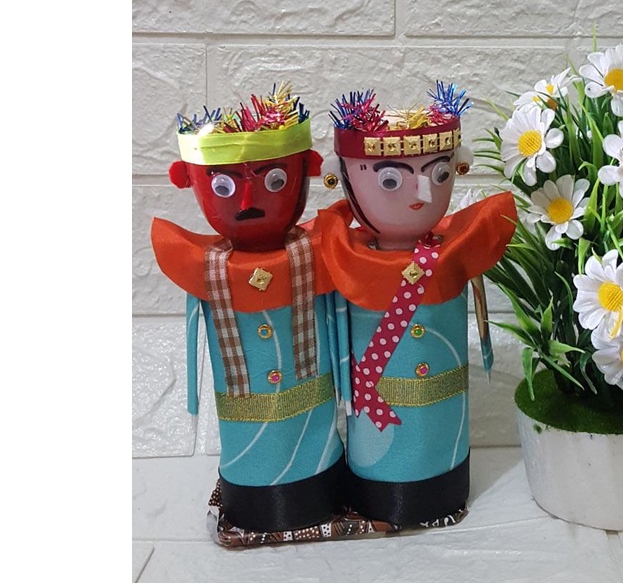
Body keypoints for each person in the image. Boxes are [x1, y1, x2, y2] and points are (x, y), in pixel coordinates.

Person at [150, 82, 351, 544]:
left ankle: (322, 482)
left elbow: (340, 320)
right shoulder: (208, 268)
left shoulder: (315, 253)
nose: (246, 203)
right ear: (189, 180)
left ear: (306, 172)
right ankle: (257, 498)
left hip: (321, 465)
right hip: (245, 464)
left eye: (274, 181)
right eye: (222, 186)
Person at [318, 83, 517, 527]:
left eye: (440, 175)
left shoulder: (455, 248)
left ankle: (438, 487)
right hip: (373, 458)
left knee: (437, 418)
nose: (422, 194)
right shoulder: (344, 252)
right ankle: (375, 488)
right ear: (343, 175)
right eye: (390, 179)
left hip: (446, 459)